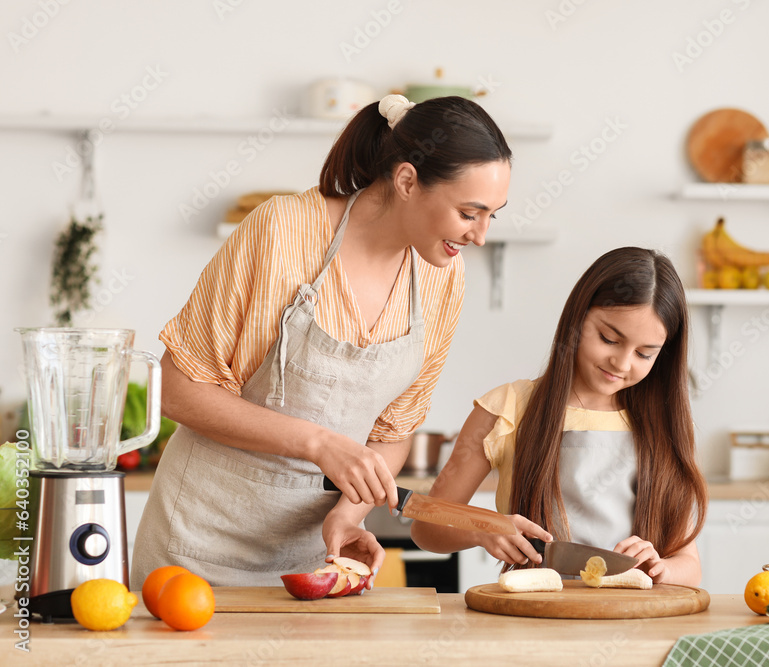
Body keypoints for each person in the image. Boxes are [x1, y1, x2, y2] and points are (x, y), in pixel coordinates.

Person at [132, 94, 512, 588]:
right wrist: (318, 443)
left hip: (309, 559)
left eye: (492, 216)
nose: (480, 236)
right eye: (469, 213)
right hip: (196, 547)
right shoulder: (283, 231)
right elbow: (177, 389)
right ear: (406, 181)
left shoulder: (443, 278)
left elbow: (391, 433)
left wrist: (348, 515)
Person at [410, 247, 708, 586]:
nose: (622, 364)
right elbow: (427, 525)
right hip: (533, 624)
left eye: (644, 353)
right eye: (609, 339)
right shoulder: (506, 408)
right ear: (578, 317)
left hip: (631, 625)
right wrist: (485, 529)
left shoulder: (663, 428)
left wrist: (661, 568)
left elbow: (690, 566)